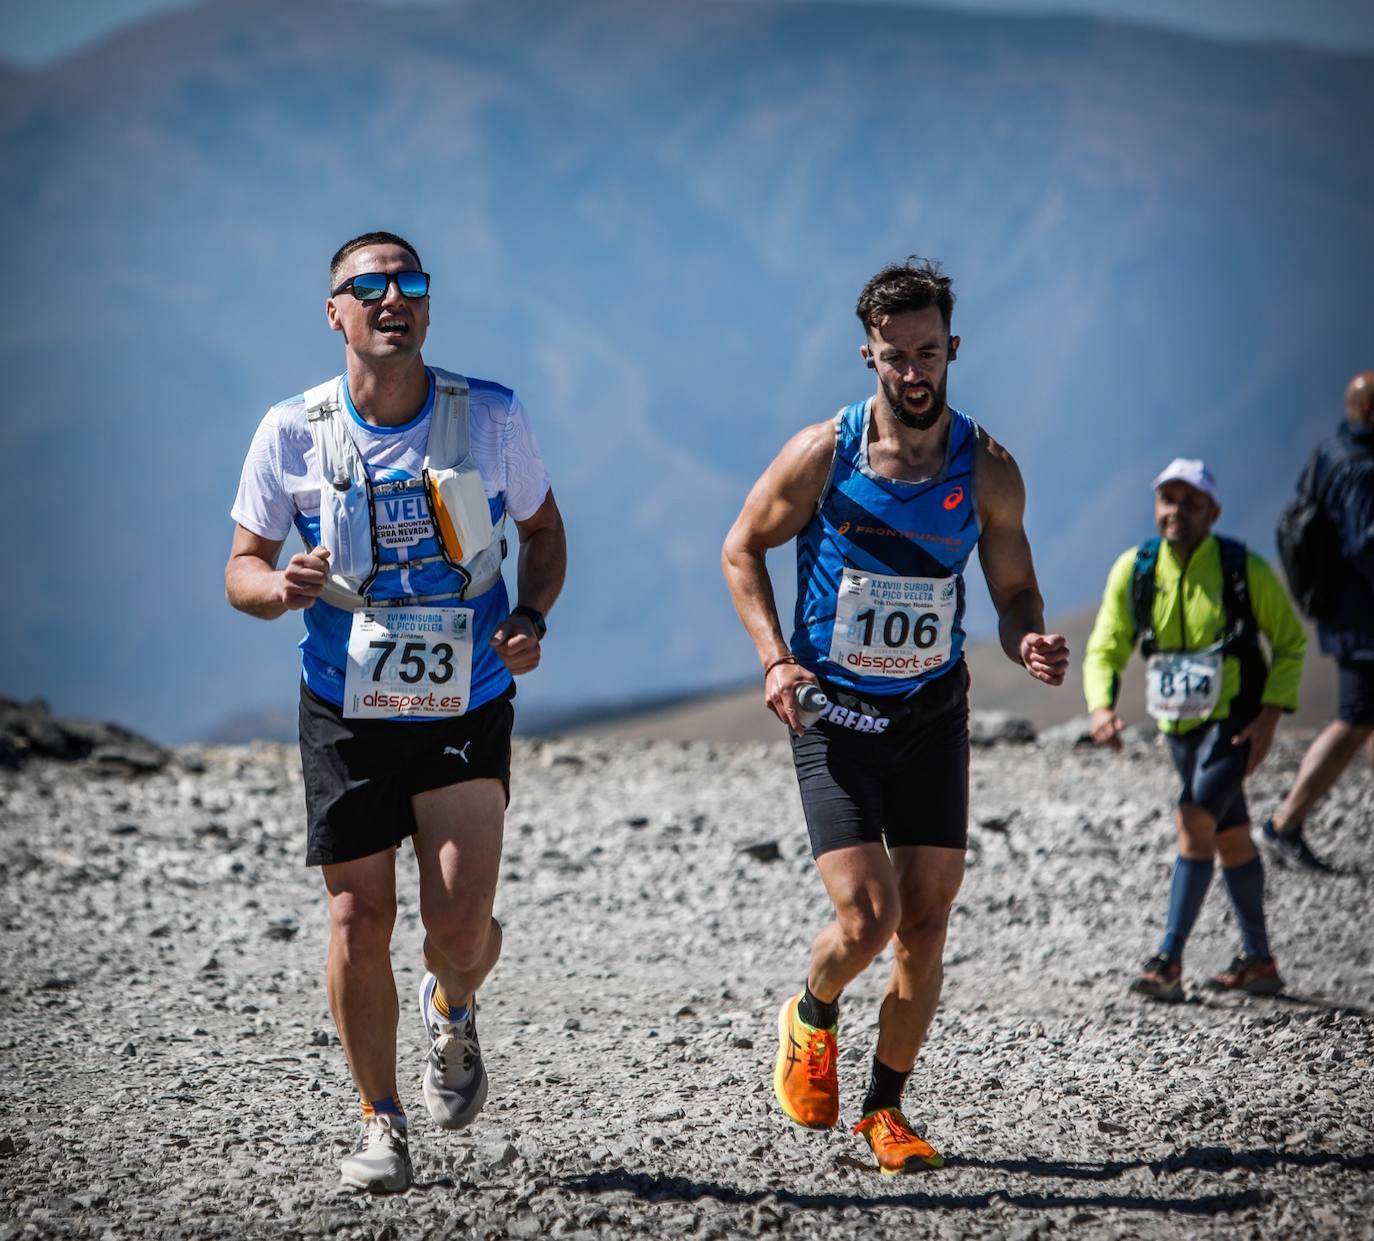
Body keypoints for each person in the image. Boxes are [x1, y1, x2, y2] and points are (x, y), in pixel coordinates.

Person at [225, 232, 566, 1192]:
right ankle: (380, 1119)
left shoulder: (491, 417)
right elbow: (240, 568)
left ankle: (451, 1004)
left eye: (408, 283)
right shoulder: (291, 431)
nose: (390, 298)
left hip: (466, 699)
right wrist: (277, 588)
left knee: (459, 930)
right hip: (344, 708)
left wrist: (532, 615)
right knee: (355, 914)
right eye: (366, 286)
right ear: (332, 310)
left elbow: (543, 531)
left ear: (427, 305)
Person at [721, 257, 1068, 1175]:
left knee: (925, 924)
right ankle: (812, 1010)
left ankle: (885, 1110)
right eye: (893, 358)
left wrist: (1027, 636)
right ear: (867, 357)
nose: (913, 374)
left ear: (953, 349)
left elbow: (1017, 589)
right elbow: (741, 549)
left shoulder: (987, 470)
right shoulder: (822, 455)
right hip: (833, 719)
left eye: (928, 353)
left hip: (928, 719)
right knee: (866, 920)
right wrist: (775, 659)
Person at [1083, 459, 1304, 1002]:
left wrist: (1271, 715)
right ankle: (1259, 961)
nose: (1175, 511)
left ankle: (1168, 962)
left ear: (1213, 511)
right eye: (1167, 499)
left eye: (1189, 501)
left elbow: (1291, 641)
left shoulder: (1241, 569)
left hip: (1234, 725)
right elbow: (1106, 645)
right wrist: (1100, 707)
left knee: (1192, 819)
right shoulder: (1136, 570)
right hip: (1177, 731)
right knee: (1228, 835)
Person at [1259, 372, 1374, 872]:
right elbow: (1367, 545)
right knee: (1353, 718)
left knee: (1364, 717)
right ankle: (1284, 822)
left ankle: (1286, 823)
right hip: (1362, 617)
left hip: (1342, 610)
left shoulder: (1330, 451)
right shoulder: (1363, 470)